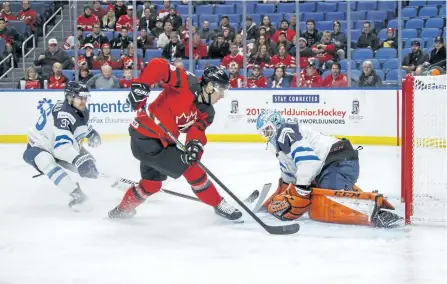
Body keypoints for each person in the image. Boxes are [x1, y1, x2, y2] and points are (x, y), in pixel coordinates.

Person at [108, 59, 242, 222]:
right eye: (221, 90)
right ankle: (219, 204)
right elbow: (159, 66)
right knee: (192, 170)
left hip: (163, 142)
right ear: (209, 86)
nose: (221, 96)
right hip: (145, 137)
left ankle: (122, 209)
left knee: (152, 184)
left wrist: (194, 147)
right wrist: (142, 86)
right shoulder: (186, 82)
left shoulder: (208, 112)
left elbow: (196, 131)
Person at [254, 110, 402, 228]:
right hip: (331, 165)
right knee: (315, 197)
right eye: (263, 132)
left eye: (268, 129)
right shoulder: (280, 147)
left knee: (324, 205)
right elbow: (288, 180)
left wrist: (300, 190)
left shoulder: (286, 132)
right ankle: (358, 197)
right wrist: (268, 206)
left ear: (276, 123)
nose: (266, 135)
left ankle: (378, 214)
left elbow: (307, 162)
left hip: (339, 160)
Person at [22, 82, 101, 211]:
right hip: (38, 147)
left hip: (60, 145)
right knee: (47, 162)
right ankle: (77, 195)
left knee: (92, 167)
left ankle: (121, 185)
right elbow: (61, 147)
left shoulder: (78, 109)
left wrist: (90, 132)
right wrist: (78, 160)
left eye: (85, 98)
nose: (83, 101)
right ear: (69, 97)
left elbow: (75, 128)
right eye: (80, 98)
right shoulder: (63, 115)